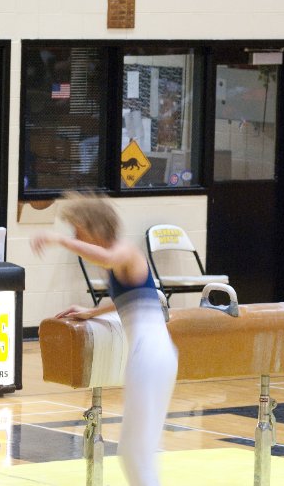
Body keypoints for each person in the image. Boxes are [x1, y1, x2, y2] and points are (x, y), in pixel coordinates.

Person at [30, 192, 177, 486]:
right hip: (152, 354)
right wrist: (92, 311)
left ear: (93, 226)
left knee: (136, 453)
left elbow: (107, 258)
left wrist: (58, 239)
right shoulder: (120, 261)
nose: (75, 236)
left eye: (77, 230)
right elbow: (139, 297)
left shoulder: (124, 251)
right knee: (136, 452)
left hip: (150, 355)